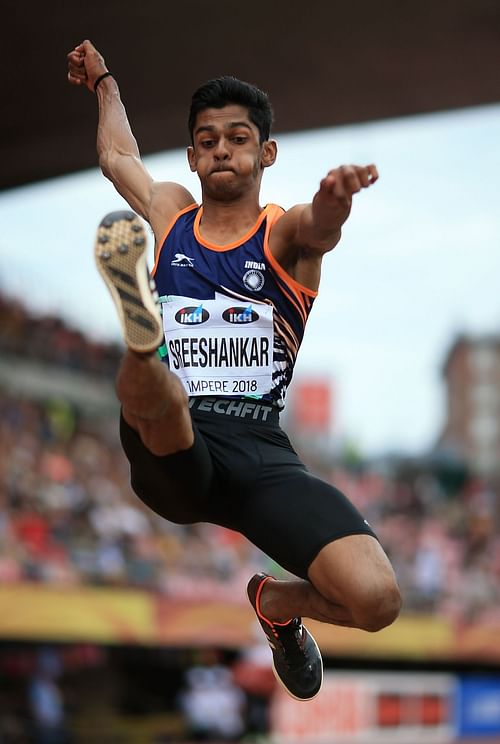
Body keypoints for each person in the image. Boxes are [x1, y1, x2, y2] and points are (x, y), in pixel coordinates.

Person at [67, 39, 402, 702]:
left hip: (259, 450)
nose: (222, 149)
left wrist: (336, 200)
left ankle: (276, 605)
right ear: (192, 157)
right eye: (208, 139)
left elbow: (320, 227)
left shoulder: (283, 236)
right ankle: (145, 338)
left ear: (265, 154)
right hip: (177, 450)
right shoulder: (168, 216)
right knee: (156, 391)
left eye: (238, 138)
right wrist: (104, 82)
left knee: (377, 600)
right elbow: (116, 158)